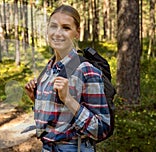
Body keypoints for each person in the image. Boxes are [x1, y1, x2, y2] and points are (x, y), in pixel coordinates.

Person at [25, 4, 111, 152]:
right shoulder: (48, 69)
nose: (58, 33)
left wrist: (68, 99)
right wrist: (36, 99)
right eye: (53, 26)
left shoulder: (86, 70)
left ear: (77, 33)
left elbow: (101, 129)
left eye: (66, 28)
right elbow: (54, 119)